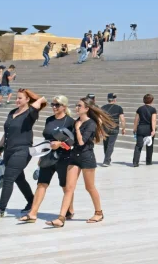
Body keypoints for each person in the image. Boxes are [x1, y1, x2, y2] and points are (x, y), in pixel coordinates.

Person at [46, 96, 114, 227]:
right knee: (69, 188)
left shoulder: (91, 124)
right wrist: (60, 143)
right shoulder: (77, 121)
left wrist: (77, 128)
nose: (76, 108)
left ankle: (99, 213)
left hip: (86, 157)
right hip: (74, 157)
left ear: (87, 109)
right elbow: (71, 142)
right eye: (76, 105)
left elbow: (82, 142)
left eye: (79, 106)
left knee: (90, 187)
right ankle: (61, 218)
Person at [0, 89, 47, 218]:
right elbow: (7, 132)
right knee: (19, 178)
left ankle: (0, 209)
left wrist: (29, 93)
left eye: (20, 98)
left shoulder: (31, 113)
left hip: (22, 151)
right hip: (8, 150)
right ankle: (31, 201)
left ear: (27, 100)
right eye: (17, 97)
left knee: (9, 178)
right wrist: (0, 147)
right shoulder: (12, 112)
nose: (17, 100)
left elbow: (42, 100)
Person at [19, 96, 75, 223]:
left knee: (65, 186)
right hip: (48, 156)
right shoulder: (49, 120)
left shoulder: (70, 121)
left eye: (57, 105)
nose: (54, 107)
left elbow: (73, 143)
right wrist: (41, 155)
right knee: (41, 183)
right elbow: (47, 139)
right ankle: (33, 213)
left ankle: (69, 210)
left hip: (64, 158)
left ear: (64, 107)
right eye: (52, 104)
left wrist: (60, 144)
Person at [100, 93, 126, 167]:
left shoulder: (103, 107)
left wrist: (100, 128)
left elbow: (100, 119)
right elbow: (122, 120)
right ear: (114, 99)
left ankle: (107, 159)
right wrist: (123, 128)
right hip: (114, 128)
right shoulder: (119, 108)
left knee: (105, 144)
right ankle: (107, 160)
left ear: (108, 99)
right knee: (110, 145)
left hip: (105, 128)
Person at [132, 94, 157, 167]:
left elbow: (136, 119)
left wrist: (135, 128)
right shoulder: (153, 109)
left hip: (140, 128)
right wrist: (153, 130)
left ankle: (135, 162)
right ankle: (148, 161)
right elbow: (153, 120)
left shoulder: (140, 109)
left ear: (144, 100)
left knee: (138, 146)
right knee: (149, 146)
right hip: (148, 129)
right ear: (152, 101)